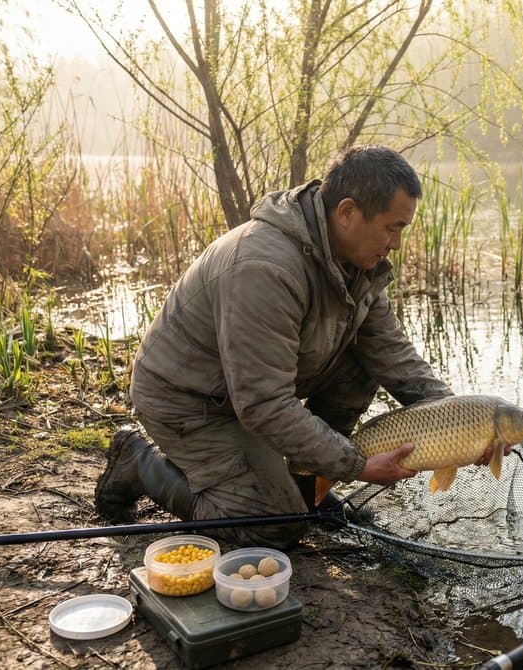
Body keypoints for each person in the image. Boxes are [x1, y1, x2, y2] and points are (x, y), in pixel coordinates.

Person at [95, 145, 461, 549]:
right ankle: (137, 462)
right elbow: (263, 403)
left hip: (245, 395)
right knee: (274, 526)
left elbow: (393, 355)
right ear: (347, 213)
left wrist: (466, 422)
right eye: (392, 227)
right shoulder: (265, 268)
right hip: (188, 400)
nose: (394, 243)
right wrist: (354, 465)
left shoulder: (355, 262)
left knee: (362, 361)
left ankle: (305, 486)